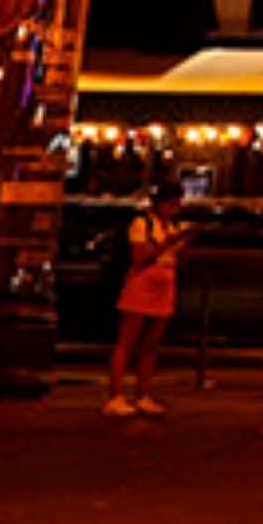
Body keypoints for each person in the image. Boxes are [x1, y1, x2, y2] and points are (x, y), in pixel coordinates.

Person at [105, 178, 182, 417]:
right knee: (126, 341)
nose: (174, 207)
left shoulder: (172, 225)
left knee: (151, 344)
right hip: (143, 281)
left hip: (165, 281)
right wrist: (165, 244)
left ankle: (143, 393)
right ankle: (116, 394)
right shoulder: (142, 223)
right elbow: (139, 258)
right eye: (170, 203)